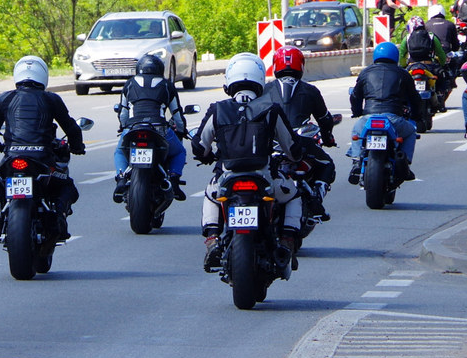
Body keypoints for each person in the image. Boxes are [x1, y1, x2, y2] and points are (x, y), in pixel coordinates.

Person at [193, 53, 303, 272]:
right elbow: (292, 148)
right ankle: (287, 241)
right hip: (264, 177)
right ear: (260, 80)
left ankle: (213, 240)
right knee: (294, 195)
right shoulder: (271, 109)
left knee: (210, 194)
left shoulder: (218, 110)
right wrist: (295, 156)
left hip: (227, 177)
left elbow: (199, 146)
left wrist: (207, 156)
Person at [0, 55, 86, 242]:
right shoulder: (51, 99)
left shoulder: (6, 98)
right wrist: (77, 146)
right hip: (42, 158)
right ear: (43, 75)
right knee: (67, 186)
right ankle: (58, 216)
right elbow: (71, 127)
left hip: (13, 156)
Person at [263, 46, 337, 220]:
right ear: (301, 66)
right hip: (300, 145)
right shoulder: (310, 90)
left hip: (268, 145)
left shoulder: (264, 90)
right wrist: (328, 137)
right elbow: (325, 119)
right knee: (327, 165)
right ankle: (316, 198)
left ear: (275, 65)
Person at [113, 54, 188, 202]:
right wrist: (181, 130)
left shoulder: (129, 83)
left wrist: (123, 127)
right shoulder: (167, 85)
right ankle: (174, 180)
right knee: (180, 151)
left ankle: (121, 178)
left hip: (133, 128)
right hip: (159, 129)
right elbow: (177, 114)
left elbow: (123, 113)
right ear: (160, 69)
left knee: (120, 151)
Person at [348, 42, 422, 183]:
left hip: (369, 117)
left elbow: (355, 96)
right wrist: (417, 115)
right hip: (393, 118)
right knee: (411, 131)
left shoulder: (366, 72)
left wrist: (357, 112)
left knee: (356, 132)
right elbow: (414, 98)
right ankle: (404, 162)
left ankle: (357, 161)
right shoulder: (403, 74)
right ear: (395, 56)